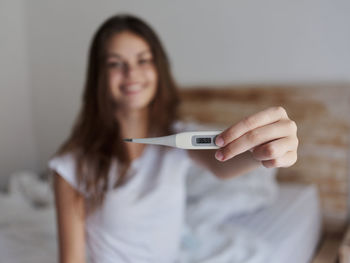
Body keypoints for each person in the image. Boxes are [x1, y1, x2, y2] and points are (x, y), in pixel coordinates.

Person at [49, 14, 298, 263]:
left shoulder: (180, 138)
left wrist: (263, 150)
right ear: (98, 76)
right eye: (115, 63)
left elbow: (221, 163)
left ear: (159, 69)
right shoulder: (72, 165)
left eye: (143, 60)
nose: (131, 72)